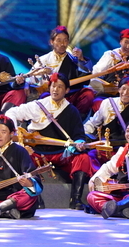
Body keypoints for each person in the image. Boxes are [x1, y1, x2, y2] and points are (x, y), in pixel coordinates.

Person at [5, 73, 94, 209]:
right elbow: (11, 112)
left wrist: (79, 144)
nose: (55, 89)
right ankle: (35, 198)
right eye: (53, 86)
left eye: (60, 87)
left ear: (67, 90)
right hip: (37, 153)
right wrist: (16, 133)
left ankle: (75, 199)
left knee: (83, 158)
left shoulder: (72, 111)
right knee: (22, 155)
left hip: (61, 153)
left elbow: (78, 135)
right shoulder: (38, 105)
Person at [30, 26, 95, 116]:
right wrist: (44, 79)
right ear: (51, 42)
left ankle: (76, 120)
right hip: (53, 94)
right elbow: (32, 79)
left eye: (65, 40)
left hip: (70, 94)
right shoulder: (44, 59)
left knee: (88, 94)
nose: (62, 44)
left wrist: (81, 59)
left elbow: (86, 78)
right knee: (45, 97)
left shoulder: (74, 59)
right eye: (59, 40)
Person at [83, 76, 129, 153]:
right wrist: (83, 136)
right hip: (106, 145)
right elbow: (93, 123)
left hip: (127, 148)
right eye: (123, 89)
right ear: (119, 89)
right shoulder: (108, 103)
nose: (125, 93)